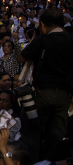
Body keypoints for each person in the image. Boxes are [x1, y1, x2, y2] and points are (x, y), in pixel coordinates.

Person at [18, 9, 73, 157]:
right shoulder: (71, 39)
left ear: (42, 25)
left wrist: (35, 39)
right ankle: (52, 164)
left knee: (31, 131)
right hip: (64, 96)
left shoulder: (43, 40)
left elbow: (20, 58)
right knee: (57, 134)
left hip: (42, 94)